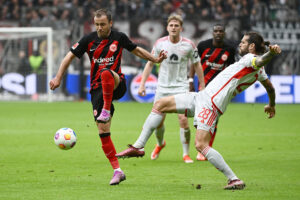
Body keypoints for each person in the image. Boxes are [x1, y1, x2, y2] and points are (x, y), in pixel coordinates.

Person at [116, 32, 281, 190]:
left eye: (244, 42)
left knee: (201, 145)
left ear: (252, 46)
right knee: (160, 104)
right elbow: (270, 88)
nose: (240, 44)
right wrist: (271, 105)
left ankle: (234, 179)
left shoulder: (250, 58)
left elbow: (259, 61)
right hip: (202, 97)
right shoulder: (260, 72)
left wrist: (270, 55)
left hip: (211, 105)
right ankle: (139, 146)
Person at [49, 9, 166, 186]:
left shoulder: (119, 37)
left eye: (102, 24)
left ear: (110, 23)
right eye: (96, 24)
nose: (99, 28)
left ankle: (105, 109)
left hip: (117, 82)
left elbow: (137, 51)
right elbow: (68, 57)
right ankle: (117, 171)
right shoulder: (88, 40)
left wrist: (155, 59)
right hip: (97, 90)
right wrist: (58, 77)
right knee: (103, 131)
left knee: (105, 72)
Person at [137, 14, 205, 163]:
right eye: (171, 25)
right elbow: (150, 63)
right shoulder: (160, 43)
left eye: (176, 25)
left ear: (181, 28)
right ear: (167, 27)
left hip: (181, 87)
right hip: (162, 87)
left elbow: (197, 64)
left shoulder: (189, 45)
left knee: (183, 120)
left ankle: (185, 154)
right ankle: (160, 144)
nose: (173, 28)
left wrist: (202, 84)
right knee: (158, 122)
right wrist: (142, 84)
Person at [189, 24, 236, 161]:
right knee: (201, 118)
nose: (218, 33)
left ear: (224, 33)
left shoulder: (229, 49)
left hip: (220, 89)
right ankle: (202, 146)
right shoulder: (203, 45)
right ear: (212, 32)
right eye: (216, 31)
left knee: (214, 119)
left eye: (221, 31)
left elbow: (232, 69)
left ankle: (206, 148)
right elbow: (194, 63)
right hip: (203, 87)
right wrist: (191, 80)